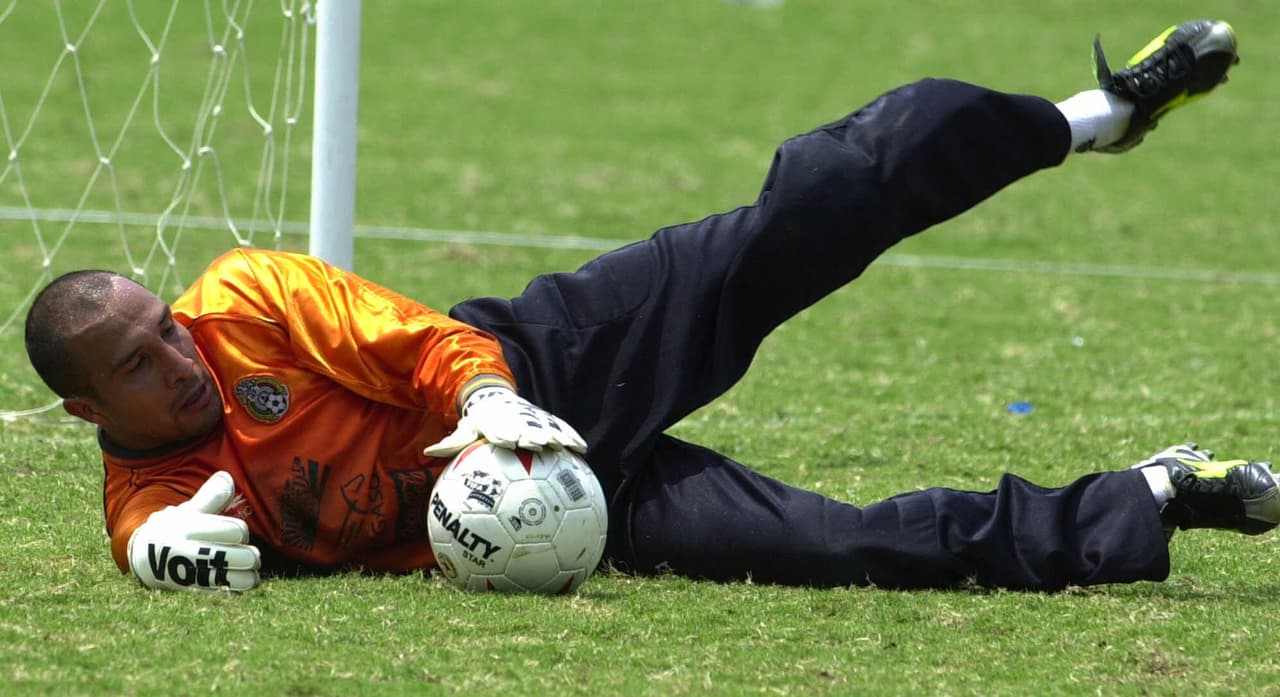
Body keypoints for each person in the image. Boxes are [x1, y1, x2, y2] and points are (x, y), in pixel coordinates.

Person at [25, 19, 1275, 594]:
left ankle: (1083, 119)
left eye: (164, 328)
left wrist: (491, 401)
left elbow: (417, 344)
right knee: (838, 551)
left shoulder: (244, 298)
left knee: (814, 209)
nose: (176, 359)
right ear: (90, 408)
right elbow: (138, 526)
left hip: (547, 365)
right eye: (138, 364)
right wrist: (153, 558)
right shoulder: (152, 490)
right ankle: (1156, 492)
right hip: (566, 513)